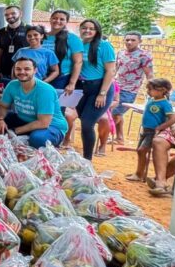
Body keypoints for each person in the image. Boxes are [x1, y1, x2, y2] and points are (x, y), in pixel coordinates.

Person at [0, 58, 68, 149]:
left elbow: (43, 123)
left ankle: (28, 138)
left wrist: (15, 131)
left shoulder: (45, 90)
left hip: (51, 126)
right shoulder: (12, 85)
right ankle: (21, 138)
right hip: (25, 120)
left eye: (27, 69)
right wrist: (0, 119)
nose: (22, 72)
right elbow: (2, 105)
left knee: (37, 139)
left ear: (35, 70)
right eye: (18, 69)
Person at [74, 18, 117, 160]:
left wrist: (102, 93)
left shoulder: (104, 46)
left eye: (91, 28)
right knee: (83, 120)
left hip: (99, 88)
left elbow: (110, 71)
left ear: (97, 31)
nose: (87, 30)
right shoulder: (78, 45)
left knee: (87, 124)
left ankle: (87, 160)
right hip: (82, 88)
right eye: (84, 28)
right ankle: (85, 158)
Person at [112, 32, 154, 144]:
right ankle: (119, 138)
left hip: (130, 90)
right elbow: (115, 70)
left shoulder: (144, 55)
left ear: (140, 41)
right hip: (116, 88)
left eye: (133, 40)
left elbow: (149, 74)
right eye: (127, 40)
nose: (129, 42)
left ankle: (107, 133)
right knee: (117, 113)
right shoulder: (120, 53)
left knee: (115, 114)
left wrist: (152, 90)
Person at [43, 10, 84, 93]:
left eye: (62, 19)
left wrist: (72, 83)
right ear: (50, 19)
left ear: (66, 22)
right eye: (55, 18)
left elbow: (78, 62)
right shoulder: (41, 36)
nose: (57, 21)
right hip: (41, 76)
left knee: (55, 101)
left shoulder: (72, 38)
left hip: (61, 79)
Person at [0, 5, 29, 82]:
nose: (9, 16)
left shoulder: (29, 29)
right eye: (6, 15)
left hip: (23, 72)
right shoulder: (1, 32)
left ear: (20, 13)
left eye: (13, 13)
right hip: (4, 72)